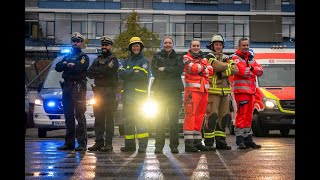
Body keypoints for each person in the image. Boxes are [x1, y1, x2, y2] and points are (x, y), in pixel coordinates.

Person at [203, 34, 238, 150]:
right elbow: (215, 66)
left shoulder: (227, 57)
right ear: (212, 46)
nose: (218, 46)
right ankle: (208, 142)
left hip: (225, 92)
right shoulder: (209, 56)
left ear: (223, 46)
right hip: (213, 92)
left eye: (220, 44)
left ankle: (221, 142)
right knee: (212, 116)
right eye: (216, 44)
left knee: (224, 117)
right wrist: (227, 66)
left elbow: (236, 69)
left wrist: (221, 72)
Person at [55, 32, 89, 151]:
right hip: (67, 87)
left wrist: (68, 65)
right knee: (68, 115)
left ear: (81, 43)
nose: (75, 43)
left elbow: (80, 67)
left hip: (78, 87)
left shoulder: (83, 56)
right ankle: (69, 143)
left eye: (78, 41)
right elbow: (57, 67)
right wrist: (66, 64)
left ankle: (82, 143)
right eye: (73, 41)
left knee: (79, 115)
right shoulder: (67, 56)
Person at [152, 36, 184, 154]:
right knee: (159, 120)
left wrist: (164, 69)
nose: (167, 45)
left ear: (173, 44)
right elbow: (155, 72)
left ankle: (174, 146)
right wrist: (171, 70)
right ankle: (158, 146)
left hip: (174, 92)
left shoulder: (179, 57)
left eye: (169, 43)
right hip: (160, 92)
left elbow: (179, 71)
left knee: (173, 121)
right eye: (165, 43)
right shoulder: (156, 56)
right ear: (162, 44)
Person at [86, 36, 119, 152]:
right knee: (98, 119)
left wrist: (98, 72)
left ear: (111, 46)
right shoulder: (96, 59)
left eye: (107, 45)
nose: (104, 47)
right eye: (103, 45)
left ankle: (108, 144)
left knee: (109, 120)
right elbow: (89, 73)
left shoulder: (114, 59)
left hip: (109, 93)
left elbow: (107, 71)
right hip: (98, 93)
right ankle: (99, 142)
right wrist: (101, 72)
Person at [118, 37, 149, 153]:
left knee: (141, 121)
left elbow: (142, 76)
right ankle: (130, 146)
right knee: (128, 122)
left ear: (140, 47)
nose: (136, 48)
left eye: (138, 46)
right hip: (127, 97)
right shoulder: (126, 61)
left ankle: (142, 147)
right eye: (134, 46)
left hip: (139, 98)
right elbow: (120, 74)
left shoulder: (144, 61)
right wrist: (134, 71)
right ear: (130, 48)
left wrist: (128, 73)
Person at [231, 38, 264, 149]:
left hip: (251, 92)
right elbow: (241, 71)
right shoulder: (235, 58)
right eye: (243, 45)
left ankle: (248, 139)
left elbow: (261, 71)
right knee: (241, 115)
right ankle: (240, 140)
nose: (245, 47)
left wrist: (251, 69)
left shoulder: (250, 58)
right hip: (241, 92)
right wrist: (252, 70)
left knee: (249, 115)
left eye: (247, 45)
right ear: (239, 46)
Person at [182, 39, 213, 152]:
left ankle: (197, 142)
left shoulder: (204, 58)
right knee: (190, 115)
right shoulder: (186, 57)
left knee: (200, 116)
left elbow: (211, 70)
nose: (196, 47)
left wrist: (201, 68)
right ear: (190, 47)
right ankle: (189, 144)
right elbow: (192, 68)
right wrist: (203, 68)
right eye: (193, 45)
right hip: (192, 91)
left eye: (197, 45)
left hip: (203, 90)